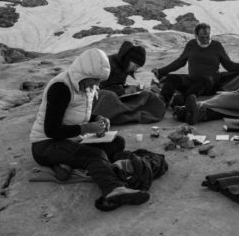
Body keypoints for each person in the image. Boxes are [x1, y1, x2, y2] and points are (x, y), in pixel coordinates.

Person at [30, 48, 150, 211]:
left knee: (117, 143)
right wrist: (86, 128)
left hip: (70, 140)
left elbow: (77, 115)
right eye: (95, 80)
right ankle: (113, 189)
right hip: (46, 144)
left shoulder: (85, 86)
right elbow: (51, 130)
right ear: (83, 73)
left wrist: (98, 119)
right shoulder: (61, 87)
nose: (97, 85)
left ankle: (65, 164)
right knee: (95, 155)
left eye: (99, 81)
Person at [152, 23, 239, 107]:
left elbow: (230, 66)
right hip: (192, 80)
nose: (206, 40)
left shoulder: (217, 46)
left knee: (203, 81)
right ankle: (162, 103)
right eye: (202, 37)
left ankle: (182, 101)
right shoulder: (191, 45)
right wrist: (161, 71)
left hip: (210, 84)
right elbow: (179, 62)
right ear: (196, 36)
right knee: (172, 79)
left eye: (208, 36)